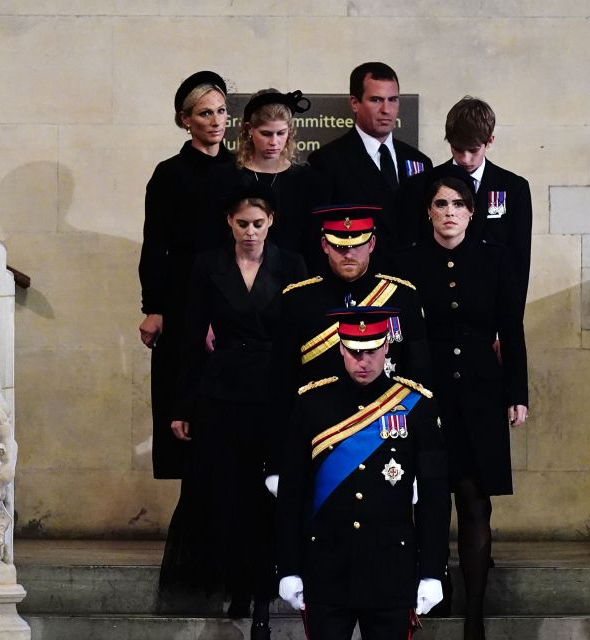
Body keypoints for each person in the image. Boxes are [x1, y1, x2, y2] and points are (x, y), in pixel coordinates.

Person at [158, 185, 307, 640]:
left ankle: (262, 599)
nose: (250, 232)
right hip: (221, 391)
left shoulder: (292, 264)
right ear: (229, 223)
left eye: (258, 223)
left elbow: (304, 335)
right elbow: (190, 338)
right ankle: (234, 586)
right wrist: (182, 405)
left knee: (269, 495)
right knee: (227, 491)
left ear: (271, 223)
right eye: (242, 223)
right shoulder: (208, 265)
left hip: (276, 391)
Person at [399, 169, 528, 640]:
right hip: (425, 394)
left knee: (475, 503)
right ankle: (434, 584)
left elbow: (510, 332)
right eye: (440, 204)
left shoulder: (495, 260)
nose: (449, 213)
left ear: (472, 213)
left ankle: (475, 616)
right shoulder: (407, 261)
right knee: (426, 499)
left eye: (457, 204)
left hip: (480, 392)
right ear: (428, 212)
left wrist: (517, 394)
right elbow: (400, 334)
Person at [276, 307, 449, 640]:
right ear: (341, 348)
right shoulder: (311, 403)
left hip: (390, 570)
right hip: (326, 567)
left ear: (387, 346)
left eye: (371, 350)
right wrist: (288, 567)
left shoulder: (416, 405)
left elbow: (434, 496)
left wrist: (431, 571)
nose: (363, 361)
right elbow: (292, 493)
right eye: (354, 351)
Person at [266, 204, 432, 483]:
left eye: (357, 245)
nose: (349, 253)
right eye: (340, 246)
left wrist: (419, 461)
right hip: (319, 440)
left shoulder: (401, 297)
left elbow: (419, 379)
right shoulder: (298, 300)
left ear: (372, 244)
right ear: (324, 245)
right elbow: (280, 385)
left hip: (385, 439)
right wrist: (275, 463)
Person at [138, 70, 234, 479]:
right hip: (182, 298)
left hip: (236, 294)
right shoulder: (170, 173)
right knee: (185, 393)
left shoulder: (242, 169)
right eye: (205, 113)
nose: (216, 120)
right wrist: (153, 307)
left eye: (222, 111)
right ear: (185, 120)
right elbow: (154, 243)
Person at [308, 62, 432, 261]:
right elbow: (317, 236)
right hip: (359, 280)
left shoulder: (419, 161)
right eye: (376, 100)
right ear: (355, 103)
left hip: (411, 280)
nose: (386, 109)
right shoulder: (327, 161)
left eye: (393, 100)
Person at [437, 97, 533, 307]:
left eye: (473, 150)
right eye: (457, 149)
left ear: (489, 141)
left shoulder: (514, 188)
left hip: (491, 310)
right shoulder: (429, 184)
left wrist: (506, 327)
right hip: (442, 313)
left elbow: (518, 263)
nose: (465, 159)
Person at [222, 88, 329, 270]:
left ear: (290, 132)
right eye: (266, 133)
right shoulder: (226, 177)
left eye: (281, 133)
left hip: (295, 281)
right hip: (236, 279)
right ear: (249, 130)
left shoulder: (309, 182)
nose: (274, 142)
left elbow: (315, 246)